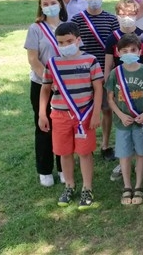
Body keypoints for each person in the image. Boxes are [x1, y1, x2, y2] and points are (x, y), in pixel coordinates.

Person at [38, 22, 103, 209]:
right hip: (59, 116)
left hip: (84, 116)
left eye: (69, 41)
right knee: (64, 152)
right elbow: (45, 90)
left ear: (78, 40)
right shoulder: (52, 64)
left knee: (84, 152)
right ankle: (69, 185)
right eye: (61, 42)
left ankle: (87, 188)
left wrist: (97, 112)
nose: (66, 45)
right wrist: (42, 114)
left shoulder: (90, 60)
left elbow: (98, 88)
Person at [105, 34, 143, 205]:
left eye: (133, 50)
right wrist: (120, 115)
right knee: (125, 154)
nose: (129, 53)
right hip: (122, 123)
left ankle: (139, 185)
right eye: (125, 51)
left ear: (139, 51)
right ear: (118, 53)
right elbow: (110, 99)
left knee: (141, 153)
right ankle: (127, 186)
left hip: (140, 121)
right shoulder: (115, 73)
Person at [71, 0, 119, 161]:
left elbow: (116, 46)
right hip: (83, 71)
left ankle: (106, 144)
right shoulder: (77, 20)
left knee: (106, 109)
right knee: (83, 109)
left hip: (105, 71)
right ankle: (84, 143)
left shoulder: (111, 19)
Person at [25, 0, 68, 187]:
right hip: (42, 84)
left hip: (66, 87)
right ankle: (44, 169)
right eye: (45, 3)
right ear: (41, 7)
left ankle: (63, 167)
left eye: (53, 2)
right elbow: (33, 59)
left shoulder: (68, 27)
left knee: (63, 127)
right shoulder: (35, 28)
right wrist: (49, 80)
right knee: (44, 125)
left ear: (60, 3)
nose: (49, 5)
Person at [104, 0, 143, 80]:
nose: (126, 17)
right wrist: (108, 87)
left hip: (140, 80)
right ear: (117, 15)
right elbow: (108, 67)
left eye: (130, 14)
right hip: (119, 81)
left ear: (136, 15)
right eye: (123, 14)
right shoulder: (112, 38)